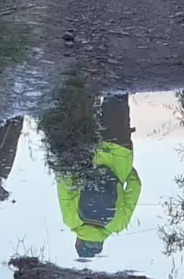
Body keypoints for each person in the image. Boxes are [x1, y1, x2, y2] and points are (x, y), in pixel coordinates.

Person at [56, 93, 142, 259]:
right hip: (88, 149)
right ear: (78, 241)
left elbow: (135, 186)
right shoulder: (71, 220)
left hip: (119, 149)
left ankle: (123, 69)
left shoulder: (118, 224)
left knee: (118, 95)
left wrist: (126, 170)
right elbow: (64, 181)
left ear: (100, 243)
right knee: (86, 97)